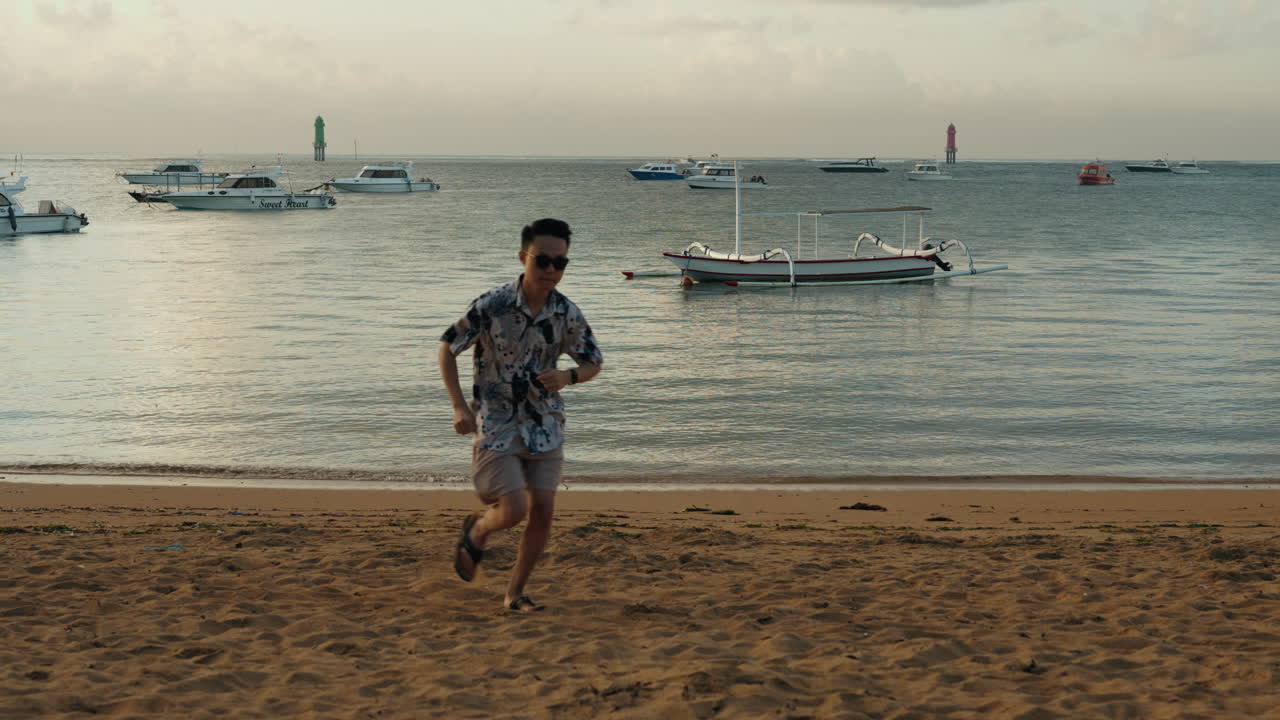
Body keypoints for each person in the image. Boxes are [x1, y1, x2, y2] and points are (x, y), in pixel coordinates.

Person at [438, 218, 603, 612]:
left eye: (560, 263)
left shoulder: (565, 312)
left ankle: (515, 593)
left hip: (546, 426)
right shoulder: (492, 305)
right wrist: (459, 405)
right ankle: (478, 530)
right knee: (512, 510)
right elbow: (447, 347)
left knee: (543, 513)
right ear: (522, 257)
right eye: (542, 260)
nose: (550, 270)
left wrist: (568, 375)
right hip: (496, 423)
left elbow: (593, 361)